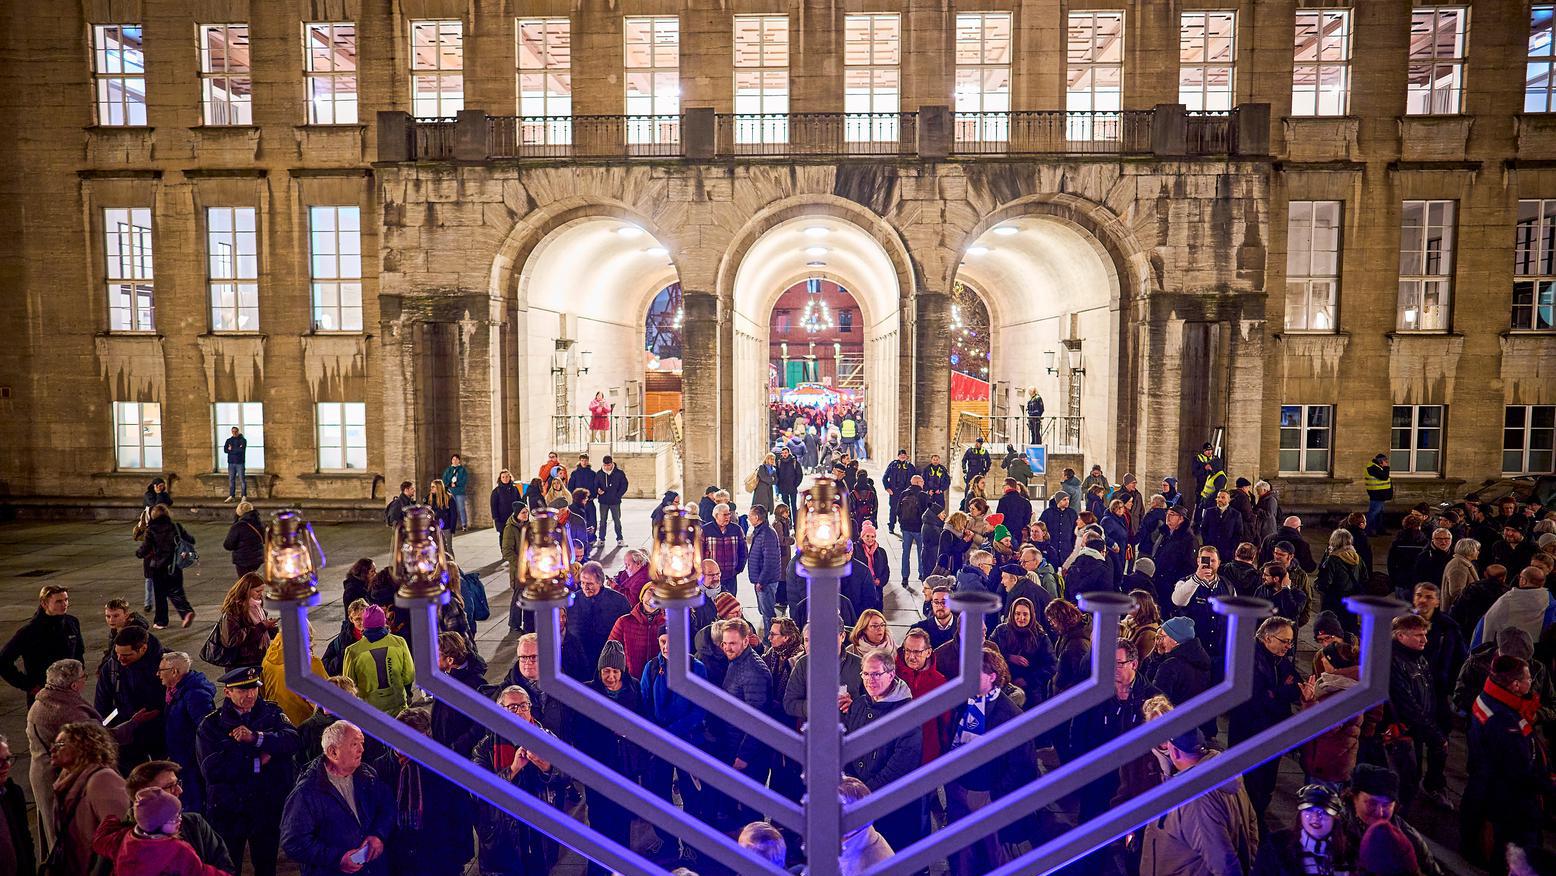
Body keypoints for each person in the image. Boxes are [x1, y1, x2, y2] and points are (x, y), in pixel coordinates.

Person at [196, 666, 300, 876]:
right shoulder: (211, 726)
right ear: (227, 692)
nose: (250, 694)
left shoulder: (272, 713)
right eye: (243, 690)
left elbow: (293, 741)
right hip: (230, 809)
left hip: (266, 806)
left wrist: (256, 738)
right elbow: (213, 770)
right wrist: (257, 761)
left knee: (266, 863)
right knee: (228, 864)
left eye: (254, 688)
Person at [942, 649, 1034, 876]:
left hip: (985, 793)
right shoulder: (964, 701)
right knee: (961, 852)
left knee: (993, 855)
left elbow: (1023, 765)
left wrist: (993, 795)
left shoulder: (1010, 715)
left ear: (992, 676)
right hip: (958, 787)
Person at [1464, 655, 1551, 867]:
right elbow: (1518, 769)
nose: (1531, 682)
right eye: (1529, 678)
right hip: (1512, 800)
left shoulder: (1489, 698)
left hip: (1494, 789)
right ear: (1515, 685)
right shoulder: (1502, 719)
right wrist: (1548, 785)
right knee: (1517, 854)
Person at [279, 720, 393, 876]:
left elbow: (387, 806)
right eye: (354, 744)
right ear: (333, 752)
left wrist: (378, 835)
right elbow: (293, 842)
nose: (361, 749)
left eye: (361, 743)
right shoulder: (307, 792)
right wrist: (337, 858)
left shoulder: (367, 775)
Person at [1065, 640, 1161, 824]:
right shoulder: (1094, 693)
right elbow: (1077, 732)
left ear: (1134, 664)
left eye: (1118, 663)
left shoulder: (1152, 700)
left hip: (1133, 781)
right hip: (1097, 776)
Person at [472, 686, 566, 875]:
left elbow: (567, 776)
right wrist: (513, 769)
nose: (520, 712)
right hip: (501, 836)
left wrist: (548, 768)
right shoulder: (485, 748)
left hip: (538, 835)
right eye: (513, 708)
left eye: (524, 706)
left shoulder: (548, 739)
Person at [1139, 728, 1258, 875]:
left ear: (1175, 752)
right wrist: (1249, 864)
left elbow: (1223, 861)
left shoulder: (1195, 799)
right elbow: (1252, 823)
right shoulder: (1226, 773)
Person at [1230, 617, 1311, 820]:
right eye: (1284, 641)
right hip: (1250, 735)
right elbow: (1257, 700)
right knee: (1250, 784)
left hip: (1271, 734)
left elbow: (1295, 685)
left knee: (1266, 783)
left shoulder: (1279, 658)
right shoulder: (1247, 658)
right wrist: (1281, 691)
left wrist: (1278, 692)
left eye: (1290, 641)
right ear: (1267, 638)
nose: (1288, 646)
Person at [842, 650, 922, 850]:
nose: (870, 680)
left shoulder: (907, 713)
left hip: (891, 804)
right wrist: (851, 785)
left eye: (876, 674)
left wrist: (866, 793)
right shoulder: (859, 704)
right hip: (858, 799)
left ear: (891, 674)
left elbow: (900, 765)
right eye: (866, 674)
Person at [27, 659, 99, 850]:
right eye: (84, 676)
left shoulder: (45, 700)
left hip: (43, 774)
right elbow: (96, 740)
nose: (85, 679)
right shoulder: (68, 711)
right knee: (63, 836)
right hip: (59, 778)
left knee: (51, 829)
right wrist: (129, 727)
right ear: (75, 684)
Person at [1382, 614, 1446, 817]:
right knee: (1404, 781)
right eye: (1419, 635)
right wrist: (1434, 734)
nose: (1424, 640)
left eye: (1424, 635)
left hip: (1416, 731)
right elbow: (1407, 704)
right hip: (1402, 733)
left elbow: (1428, 695)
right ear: (1400, 636)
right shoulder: (1394, 663)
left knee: (1412, 776)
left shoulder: (1418, 658)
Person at [50, 721, 131, 876]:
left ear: (83, 747)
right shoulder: (68, 777)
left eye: (61, 744)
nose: (53, 749)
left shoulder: (103, 780)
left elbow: (120, 838)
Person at [93, 786, 226, 876]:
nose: (180, 819)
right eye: (173, 818)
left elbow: (100, 840)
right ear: (158, 822)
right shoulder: (177, 849)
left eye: (179, 814)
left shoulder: (122, 838)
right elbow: (200, 872)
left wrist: (111, 820)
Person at [1343, 764, 1442, 876]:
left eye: (1386, 805)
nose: (1379, 812)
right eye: (1372, 803)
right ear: (1354, 798)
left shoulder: (1407, 839)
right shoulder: (1335, 828)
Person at [96, 624, 166, 770]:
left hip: (159, 735)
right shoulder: (111, 668)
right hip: (127, 736)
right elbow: (102, 704)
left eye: (126, 655)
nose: (120, 659)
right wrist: (107, 733)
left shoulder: (166, 664)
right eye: (117, 653)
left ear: (143, 649)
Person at [1, 584, 85, 706]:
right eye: (58, 601)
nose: (64, 604)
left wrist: (80, 677)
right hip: (43, 697)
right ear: (44, 604)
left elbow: (79, 653)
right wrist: (30, 686)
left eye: (66, 600)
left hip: (70, 693)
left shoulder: (72, 623)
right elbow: (3, 662)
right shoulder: (29, 632)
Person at [157, 650, 216, 814]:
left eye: (161, 670)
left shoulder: (195, 696)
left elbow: (206, 731)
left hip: (192, 762)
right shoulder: (175, 691)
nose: (157, 674)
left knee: (194, 803)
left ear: (174, 672)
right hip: (182, 758)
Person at [1251, 782, 1353, 876]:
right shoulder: (1276, 849)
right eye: (1309, 810)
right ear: (1300, 815)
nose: (1316, 817)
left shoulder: (1350, 852)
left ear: (1334, 819)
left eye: (1324, 812)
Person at [1150, 615, 1218, 737]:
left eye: (1163, 637)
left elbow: (1155, 700)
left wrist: (1155, 658)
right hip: (1201, 730)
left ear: (1175, 640)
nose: (1159, 641)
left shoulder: (1169, 666)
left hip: (1177, 732)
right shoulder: (1203, 660)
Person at [343, 605, 415, 715]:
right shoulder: (400, 642)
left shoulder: (352, 651)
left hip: (370, 710)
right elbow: (409, 676)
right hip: (398, 705)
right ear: (384, 621)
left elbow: (349, 684)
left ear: (365, 623)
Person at [136, 504, 198, 630]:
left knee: (160, 595)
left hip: (158, 567)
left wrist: (139, 553)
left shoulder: (151, 530)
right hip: (175, 565)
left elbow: (145, 548)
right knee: (177, 591)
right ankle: (186, 612)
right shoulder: (176, 527)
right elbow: (191, 539)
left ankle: (161, 621)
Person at [1172, 545, 1232, 667]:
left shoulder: (1228, 586)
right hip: (1192, 651)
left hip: (1218, 650)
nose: (1209, 564)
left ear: (1219, 563)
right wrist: (1197, 578)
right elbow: (1177, 600)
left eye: (1213, 560)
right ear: (1198, 561)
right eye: (1205, 559)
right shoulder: (1185, 581)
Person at [1472, 566, 1556, 647]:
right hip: (1536, 648)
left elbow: (1490, 620)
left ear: (1524, 581)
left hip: (1508, 646)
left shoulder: (1509, 598)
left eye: (1521, 577)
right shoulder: (1549, 600)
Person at [571, 561, 632, 667]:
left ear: (600, 582)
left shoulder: (619, 601)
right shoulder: (572, 601)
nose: (585, 587)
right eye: (582, 582)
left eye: (589, 583)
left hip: (608, 659)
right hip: (580, 659)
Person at [212, 573, 277, 670]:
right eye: (257, 591)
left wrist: (270, 628)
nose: (261, 594)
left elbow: (260, 633)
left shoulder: (256, 606)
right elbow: (231, 640)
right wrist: (262, 626)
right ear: (246, 590)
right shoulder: (233, 611)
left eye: (262, 591)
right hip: (242, 664)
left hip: (258, 659)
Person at [608, 585, 666, 679]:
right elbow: (611, 653)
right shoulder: (624, 621)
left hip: (658, 680)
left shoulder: (668, 625)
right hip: (629, 681)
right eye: (651, 591)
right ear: (642, 595)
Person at [1315, 528, 1366, 632]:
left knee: (1333, 629)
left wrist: (1317, 585)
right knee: (1349, 629)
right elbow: (1365, 577)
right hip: (1352, 600)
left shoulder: (1332, 560)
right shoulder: (1358, 558)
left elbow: (1325, 583)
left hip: (1335, 601)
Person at [703, 502, 748, 596]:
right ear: (716, 515)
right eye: (725, 514)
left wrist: (739, 568)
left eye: (729, 514)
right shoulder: (706, 530)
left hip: (730, 575)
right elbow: (700, 552)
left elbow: (743, 551)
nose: (728, 517)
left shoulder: (736, 529)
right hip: (712, 577)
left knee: (730, 603)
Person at [882, 448, 918, 534]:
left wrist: (912, 491)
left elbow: (915, 478)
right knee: (893, 510)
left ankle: (904, 528)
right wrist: (887, 488)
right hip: (894, 492)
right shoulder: (892, 465)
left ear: (906, 456)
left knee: (905, 511)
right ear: (898, 456)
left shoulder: (910, 466)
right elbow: (885, 477)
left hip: (906, 493)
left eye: (904, 455)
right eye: (901, 455)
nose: (902, 456)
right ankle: (891, 526)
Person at [595, 455, 629, 547]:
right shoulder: (599, 473)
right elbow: (596, 485)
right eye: (605, 465)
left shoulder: (619, 473)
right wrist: (598, 490)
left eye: (608, 465)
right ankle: (601, 539)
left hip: (615, 502)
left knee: (617, 520)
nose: (607, 467)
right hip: (603, 502)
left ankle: (620, 539)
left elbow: (624, 485)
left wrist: (618, 496)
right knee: (602, 521)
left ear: (612, 463)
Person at [1366, 452, 1393, 534]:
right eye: (1385, 461)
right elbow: (1384, 477)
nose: (1387, 463)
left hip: (1379, 494)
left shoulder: (1376, 467)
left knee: (1379, 513)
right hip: (1377, 494)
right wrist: (1386, 467)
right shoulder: (1373, 467)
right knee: (1373, 513)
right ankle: (1367, 530)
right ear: (1381, 461)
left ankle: (1379, 529)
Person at [442, 453, 470, 531]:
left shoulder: (462, 470)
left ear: (459, 460)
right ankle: (453, 524)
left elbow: (464, 480)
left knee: (461, 508)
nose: (455, 461)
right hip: (450, 491)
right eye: (453, 459)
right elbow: (444, 480)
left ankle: (464, 525)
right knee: (451, 509)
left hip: (459, 492)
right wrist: (450, 484)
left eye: (456, 459)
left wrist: (456, 484)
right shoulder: (448, 470)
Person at [490, 469, 521, 536]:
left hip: (514, 517)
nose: (505, 478)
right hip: (501, 519)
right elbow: (493, 506)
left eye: (507, 476)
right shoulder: (496, 491)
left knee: (515, 535)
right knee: (503, 536)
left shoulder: (515, 489)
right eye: (503, 477)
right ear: (500, 478)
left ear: (510, 477)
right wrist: (496, 518)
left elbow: (519, 502)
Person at [223, 426, 248, 502]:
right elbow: (225, 450)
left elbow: (241, 450)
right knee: (231, 480)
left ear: (238, 432)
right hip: (231, 463)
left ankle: (244, 496)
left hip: (240, 463)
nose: (234, 433)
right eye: (233, 431)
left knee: (242, 480)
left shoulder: (243, 440)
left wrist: (231, 449)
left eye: (235, 431)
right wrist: (234, 449)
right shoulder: (228, 440)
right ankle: (232, 496)